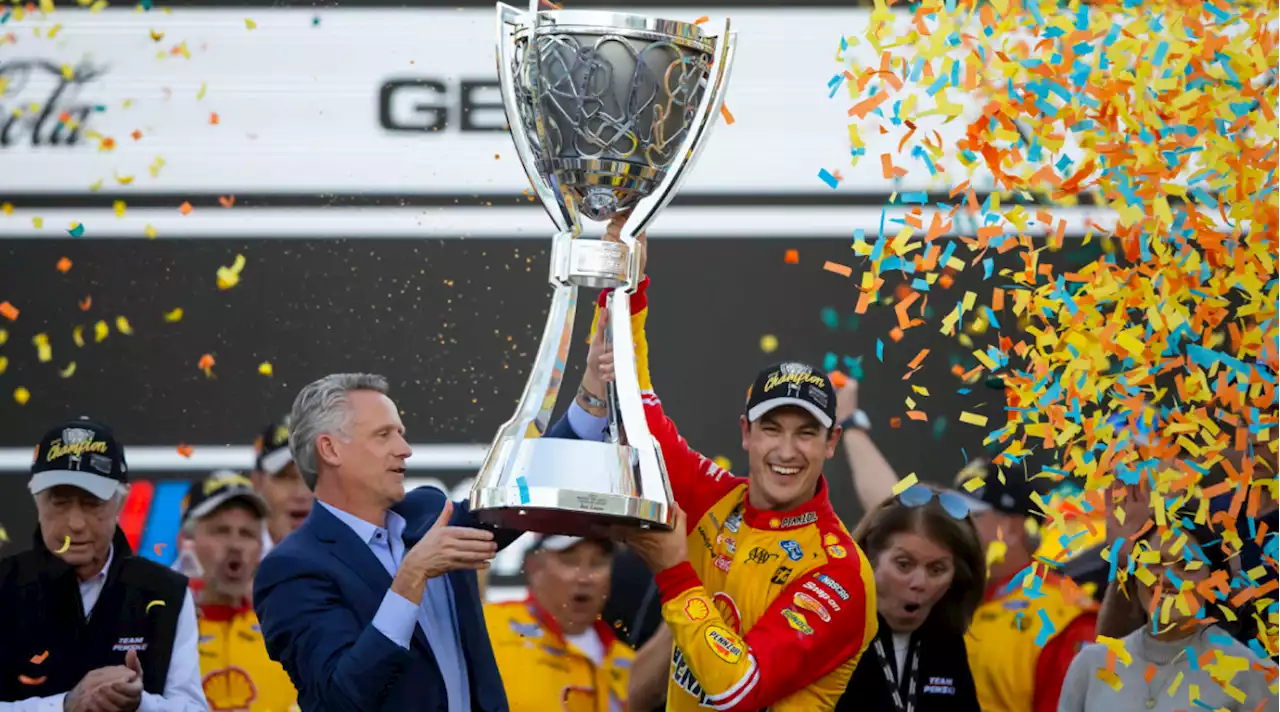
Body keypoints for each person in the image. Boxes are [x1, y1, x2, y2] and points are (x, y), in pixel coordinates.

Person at [558, 222, 879, 711]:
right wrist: (624, 287)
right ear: (746, 433)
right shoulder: (716, 497)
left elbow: (738, 691)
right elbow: (632, 406)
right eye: (772, 429)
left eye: (806, 433)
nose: (787, 451)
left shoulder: (838, 573)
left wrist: (674, 572)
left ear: (831, 442)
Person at [253, 373, 521, 712]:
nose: (404, 450)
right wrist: (410, 578)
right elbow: (341, 698)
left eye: (400, 434)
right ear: (330, 449)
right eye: (384, 435)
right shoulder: (291, 568)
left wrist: (590, 405)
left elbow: (520, 502)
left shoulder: (430, 515)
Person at [0, 419, 205, 711]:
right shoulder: (4, 587)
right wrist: (65, 705)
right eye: (59, 502)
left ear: (121, 503)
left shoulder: (166, 592)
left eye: (91, 502)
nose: (76, 523)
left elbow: (195, 708)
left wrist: (139, 702)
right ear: (37, 502)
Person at [1058, 523, 1280, 710]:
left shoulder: (1252, 673)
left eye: (1186, 565)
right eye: (1155, 562)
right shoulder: (1090, 665)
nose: (1168, 578)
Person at [835, 487, 986, 711]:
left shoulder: (947, 643)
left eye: (937, 569)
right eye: (904, 565)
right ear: (869, 558)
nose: (919, 583)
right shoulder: (831, 634)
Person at [180, 471, 298, 711]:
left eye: (247, 534)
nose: (235, 545)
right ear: (187, 539)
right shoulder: (161, 624)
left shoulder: (290, 626)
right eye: (220, 531)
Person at [484, 535, 633, 711]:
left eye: (597, 563)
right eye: (570, 561)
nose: (585, 578)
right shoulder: (488, 627)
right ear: (534, 568)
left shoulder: (627, 661)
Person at [250, 416, 313, 558]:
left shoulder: (364, 563)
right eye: (286, 477)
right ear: (257, 482)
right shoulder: (225, 566)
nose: (301, 493)